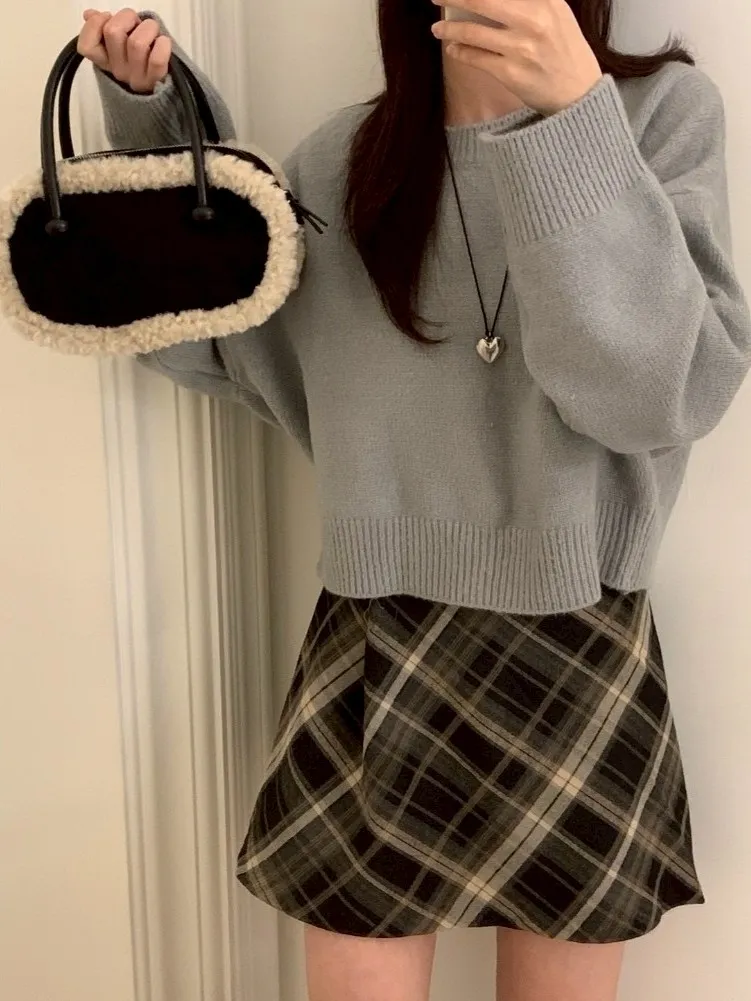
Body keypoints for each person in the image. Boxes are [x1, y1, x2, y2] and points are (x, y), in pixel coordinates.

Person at [78, 3, 751, 1000]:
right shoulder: (343, 163)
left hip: (580, 642)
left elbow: (657, 394)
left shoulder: (656, 117)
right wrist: (154, 126)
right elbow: (217, 344)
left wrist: (573, 118)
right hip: (375, 643)